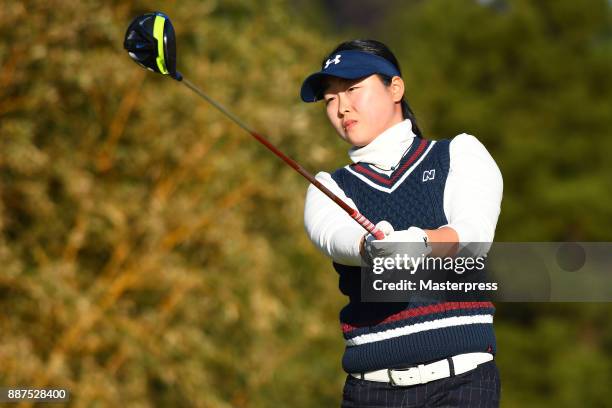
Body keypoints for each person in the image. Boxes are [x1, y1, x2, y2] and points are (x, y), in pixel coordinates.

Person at [300, 39, 503, 407]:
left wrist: (417, 243)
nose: (342, 107)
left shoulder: (458, 154)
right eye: (330, 99)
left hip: (462, 383)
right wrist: (373, 249)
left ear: (396, 88)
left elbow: (474, 236)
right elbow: (337, 239)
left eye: (353, 89)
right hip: (371, 391)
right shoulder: (329, 187)